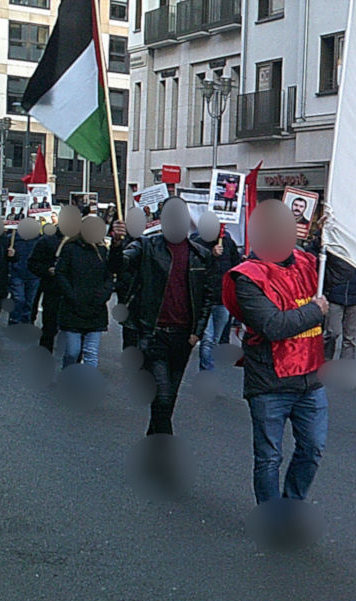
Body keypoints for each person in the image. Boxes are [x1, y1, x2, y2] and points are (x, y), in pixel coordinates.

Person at [222, 199, 329, 504]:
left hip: (311, 380)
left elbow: (336, 270)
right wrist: (315, 311)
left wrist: (328, 237)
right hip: (270, 383)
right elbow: (273, 326)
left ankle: (292, 505)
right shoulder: (247, 277)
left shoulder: (308, 262)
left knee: (313, 449)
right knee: (269, 458)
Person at [109, 197, 215, 436]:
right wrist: (116, 244)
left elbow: (207, 296)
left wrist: (197, 332)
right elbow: (118, 266)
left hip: (183, 338)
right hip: (153, 335)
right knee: (163, 397)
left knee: (167, 401)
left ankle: (154, 444)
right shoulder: (145, 246)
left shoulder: (199, 254)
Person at [55, 218, 114, 367]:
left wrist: (104, 295)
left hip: (95, 307)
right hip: (73, 308)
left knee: (90, 351)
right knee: (73, 351)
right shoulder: (70, 249)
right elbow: (61, 273)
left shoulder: (102, 251)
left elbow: (109, 276)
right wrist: (71, 294)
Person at [191, 224, 242, 371]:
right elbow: (194, 265)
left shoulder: (227, 242)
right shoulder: (198, 242)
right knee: (207, 340)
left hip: (222, 299)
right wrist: (211, 255)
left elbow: (235, 266)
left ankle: (207, 368)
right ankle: (207, 372)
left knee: (214, 340)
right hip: (205, 300)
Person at [323, 253, 356, 361]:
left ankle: (346, 364)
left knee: (350, 337)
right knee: (333, 333)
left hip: (355, 298)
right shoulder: (337, 253)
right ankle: (325, 360)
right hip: (336, 296)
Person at [29, 220, 64, 350]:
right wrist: (46, 270)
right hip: (52, 290)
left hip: (73, 292)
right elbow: (33, 264)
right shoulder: (47, 241)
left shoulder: (79, 242)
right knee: (50, 326)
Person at [8, 223, 42, 325]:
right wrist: (10, 255)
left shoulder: (39, 239)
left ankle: (25, 320)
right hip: (17, 273)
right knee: (19, 299)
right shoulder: (12, 239)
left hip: (33, 274)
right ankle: (14, 320)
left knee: (29, 301)